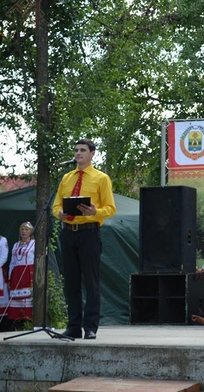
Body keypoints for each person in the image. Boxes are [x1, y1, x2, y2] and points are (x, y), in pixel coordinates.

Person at [53, 139, 116, 340]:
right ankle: (73, 326)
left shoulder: (101, 178)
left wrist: (94, 211)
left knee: (91, 282)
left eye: (82, 150)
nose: (78, 153)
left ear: (92, 154)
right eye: (76, 150)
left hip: (89, 233)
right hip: (68, 232)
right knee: (71, 282)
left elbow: (110, 209)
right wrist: (60, 213)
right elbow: (55, 206)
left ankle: (90, 327)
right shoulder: (66, 178)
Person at [7, 222, 35, 323]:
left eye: (26, 229)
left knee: (28, 297)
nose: (24, 231)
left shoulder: (34, 244)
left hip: (28, 272)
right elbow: (12, 262)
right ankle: (18, 321)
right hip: (17, 273)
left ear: (31, 231)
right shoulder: (16, 245)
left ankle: (28, 320)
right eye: (22, 229)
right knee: (17, 297)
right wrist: (10, 276)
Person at [0, 232, 9, 330]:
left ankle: (3, 327)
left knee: (2, 300)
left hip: (0, 273)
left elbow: (3, 257)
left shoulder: (2, 240)